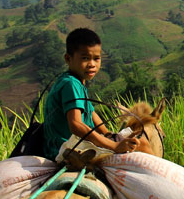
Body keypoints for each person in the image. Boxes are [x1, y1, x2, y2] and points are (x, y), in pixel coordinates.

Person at [43, 28, 140, 161]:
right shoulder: (71, 84)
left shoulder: (73, 81)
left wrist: (107, 134)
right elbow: (76, 125)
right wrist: (114, 145)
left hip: (74, 145)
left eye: (96, 58)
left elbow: (91, 113)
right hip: (68, 149)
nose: (92, 64)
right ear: (68, 58)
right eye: (85, 58)